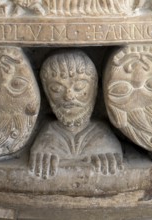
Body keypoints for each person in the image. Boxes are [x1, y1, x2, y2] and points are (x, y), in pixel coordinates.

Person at [29, 51, 123, 179]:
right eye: (56, 89)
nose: (68, 96)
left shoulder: (104, 138)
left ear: (95, 88)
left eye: (79, 86)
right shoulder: (45, 138)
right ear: (45, 93)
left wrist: (110, 152)